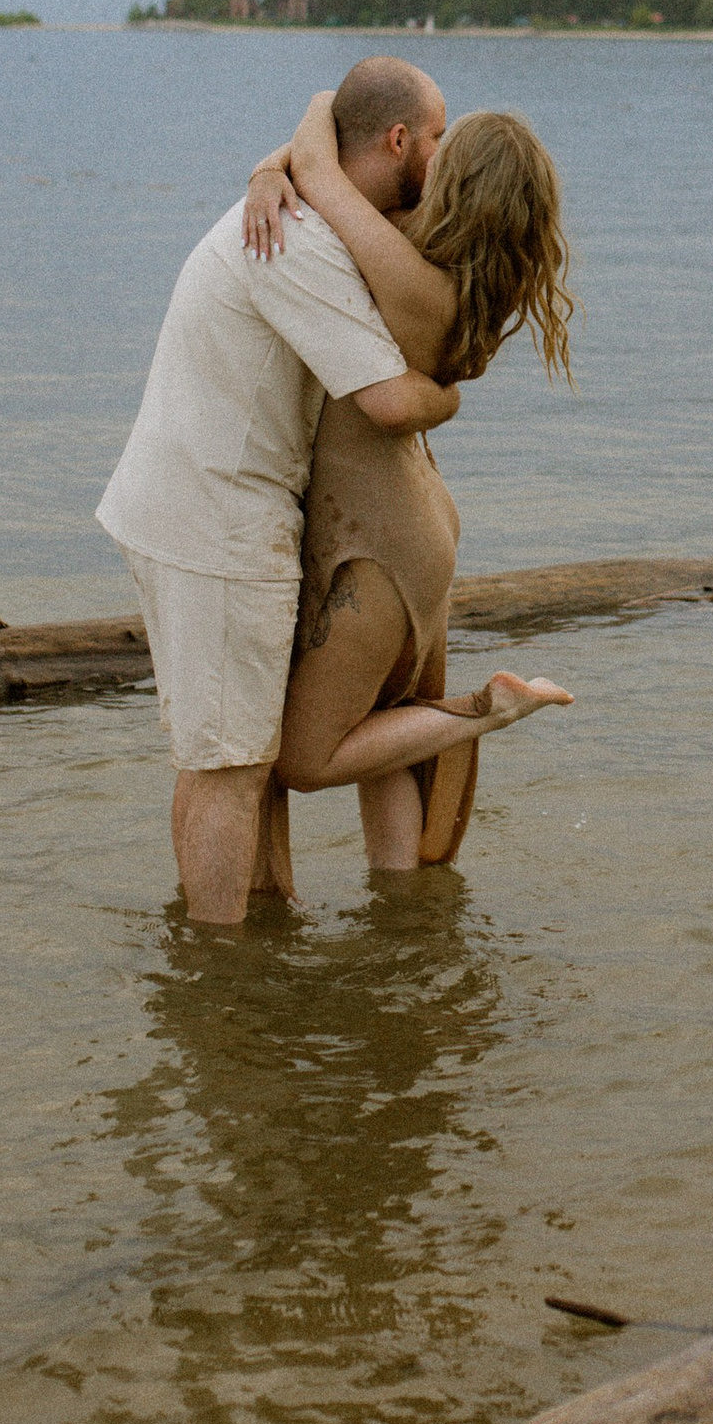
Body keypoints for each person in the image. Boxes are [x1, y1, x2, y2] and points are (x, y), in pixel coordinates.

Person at [97, 56, 461, 929]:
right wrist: (455, 385)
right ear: (399, 141)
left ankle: (245, 939)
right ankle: (220, 984)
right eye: (439, 138)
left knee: (230, 757)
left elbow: (322, 124)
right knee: (229, 764)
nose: (444, 157)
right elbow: (385, 399)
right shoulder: (298, 238)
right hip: (216, 516)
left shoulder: (305, 202)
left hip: (203, 505)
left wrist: (274, 162)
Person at [241, 89, 575, 879]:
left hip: (381, 541)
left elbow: (322, 145)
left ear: (454, 182)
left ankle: (482, 712)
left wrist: (269, 170)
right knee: (384, 733)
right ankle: (409, 917)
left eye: (442, 147)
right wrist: (269, 167)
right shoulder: (465, 296)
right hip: (424, 530)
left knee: (305, 758)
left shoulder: (396, 256)